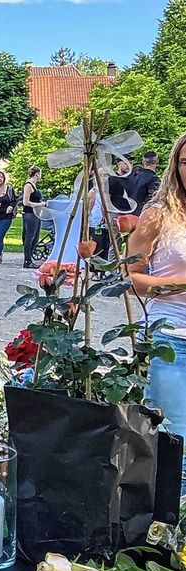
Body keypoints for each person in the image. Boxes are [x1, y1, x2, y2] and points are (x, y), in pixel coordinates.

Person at [127, 132, 186, 451]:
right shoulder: (158, 215)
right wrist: (179, 284)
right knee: (175, 441)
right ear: (174, 167)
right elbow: (132, 276)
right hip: (172, 339)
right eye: (185, 161)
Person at [21, 165, 47, 269]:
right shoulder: (28, 185)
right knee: (29, 237)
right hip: (30, 214)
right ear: (37, 174)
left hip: (36, 214)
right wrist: (40, 204)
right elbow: (25, 202)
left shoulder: (34, 186)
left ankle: (30, 258)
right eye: (40, 174)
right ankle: (27, 260)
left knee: (35, 238)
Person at [133, 151, 162, 215]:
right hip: (142, 215)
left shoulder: (133, 176)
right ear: (157, 161)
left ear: (143, 161)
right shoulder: (154, 180)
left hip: (129, 213)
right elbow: (152, 201)